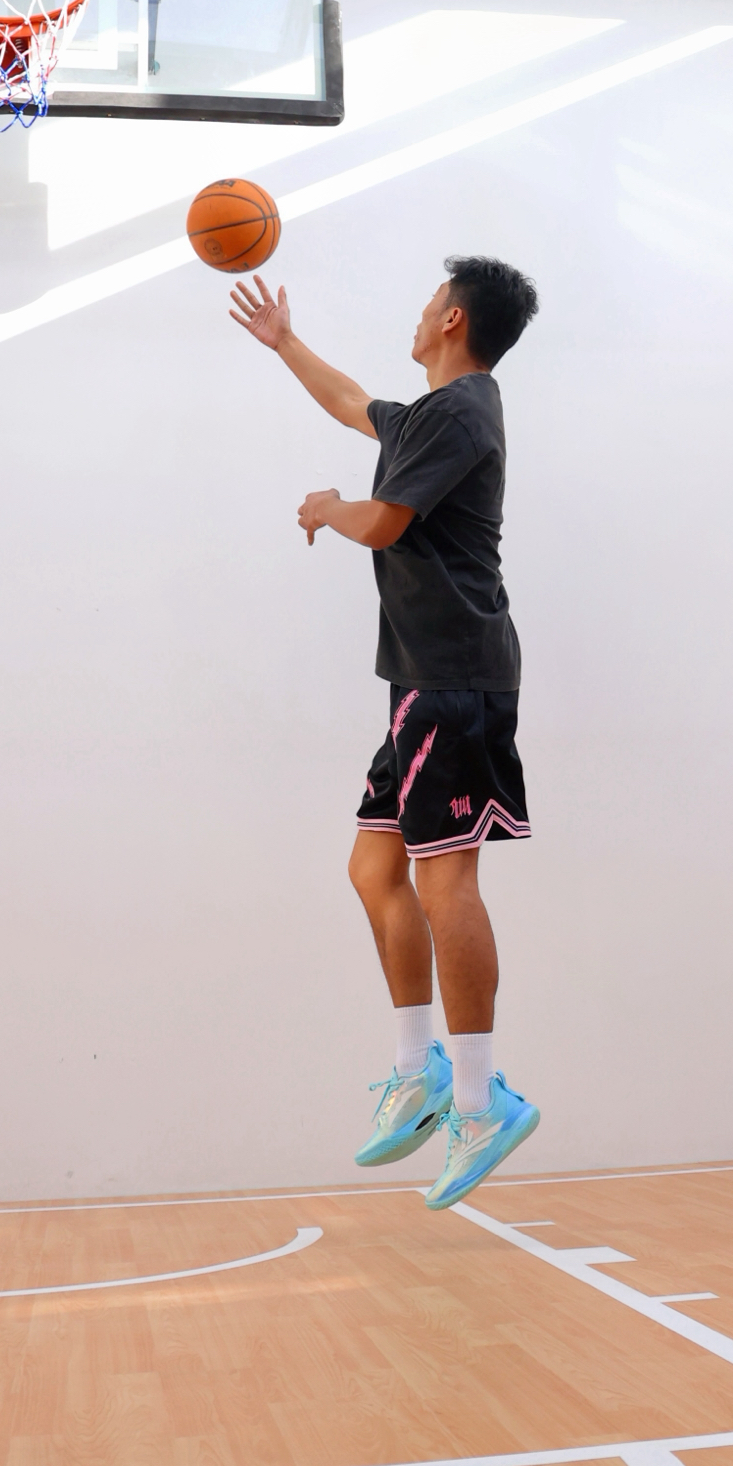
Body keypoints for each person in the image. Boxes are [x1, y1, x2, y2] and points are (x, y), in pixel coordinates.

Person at [230, 255, 541, 1208]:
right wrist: (285, 343)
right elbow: (352, 402)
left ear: (452, 319)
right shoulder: (435, 414)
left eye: (426, 305)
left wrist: (329, 508)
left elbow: (387, 523)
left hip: (455, 680)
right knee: (374, 870)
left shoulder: (463, 412)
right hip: (421, 680)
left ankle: (481, 1101)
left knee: (447, 882)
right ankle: (420, 1071)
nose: (417, 316)